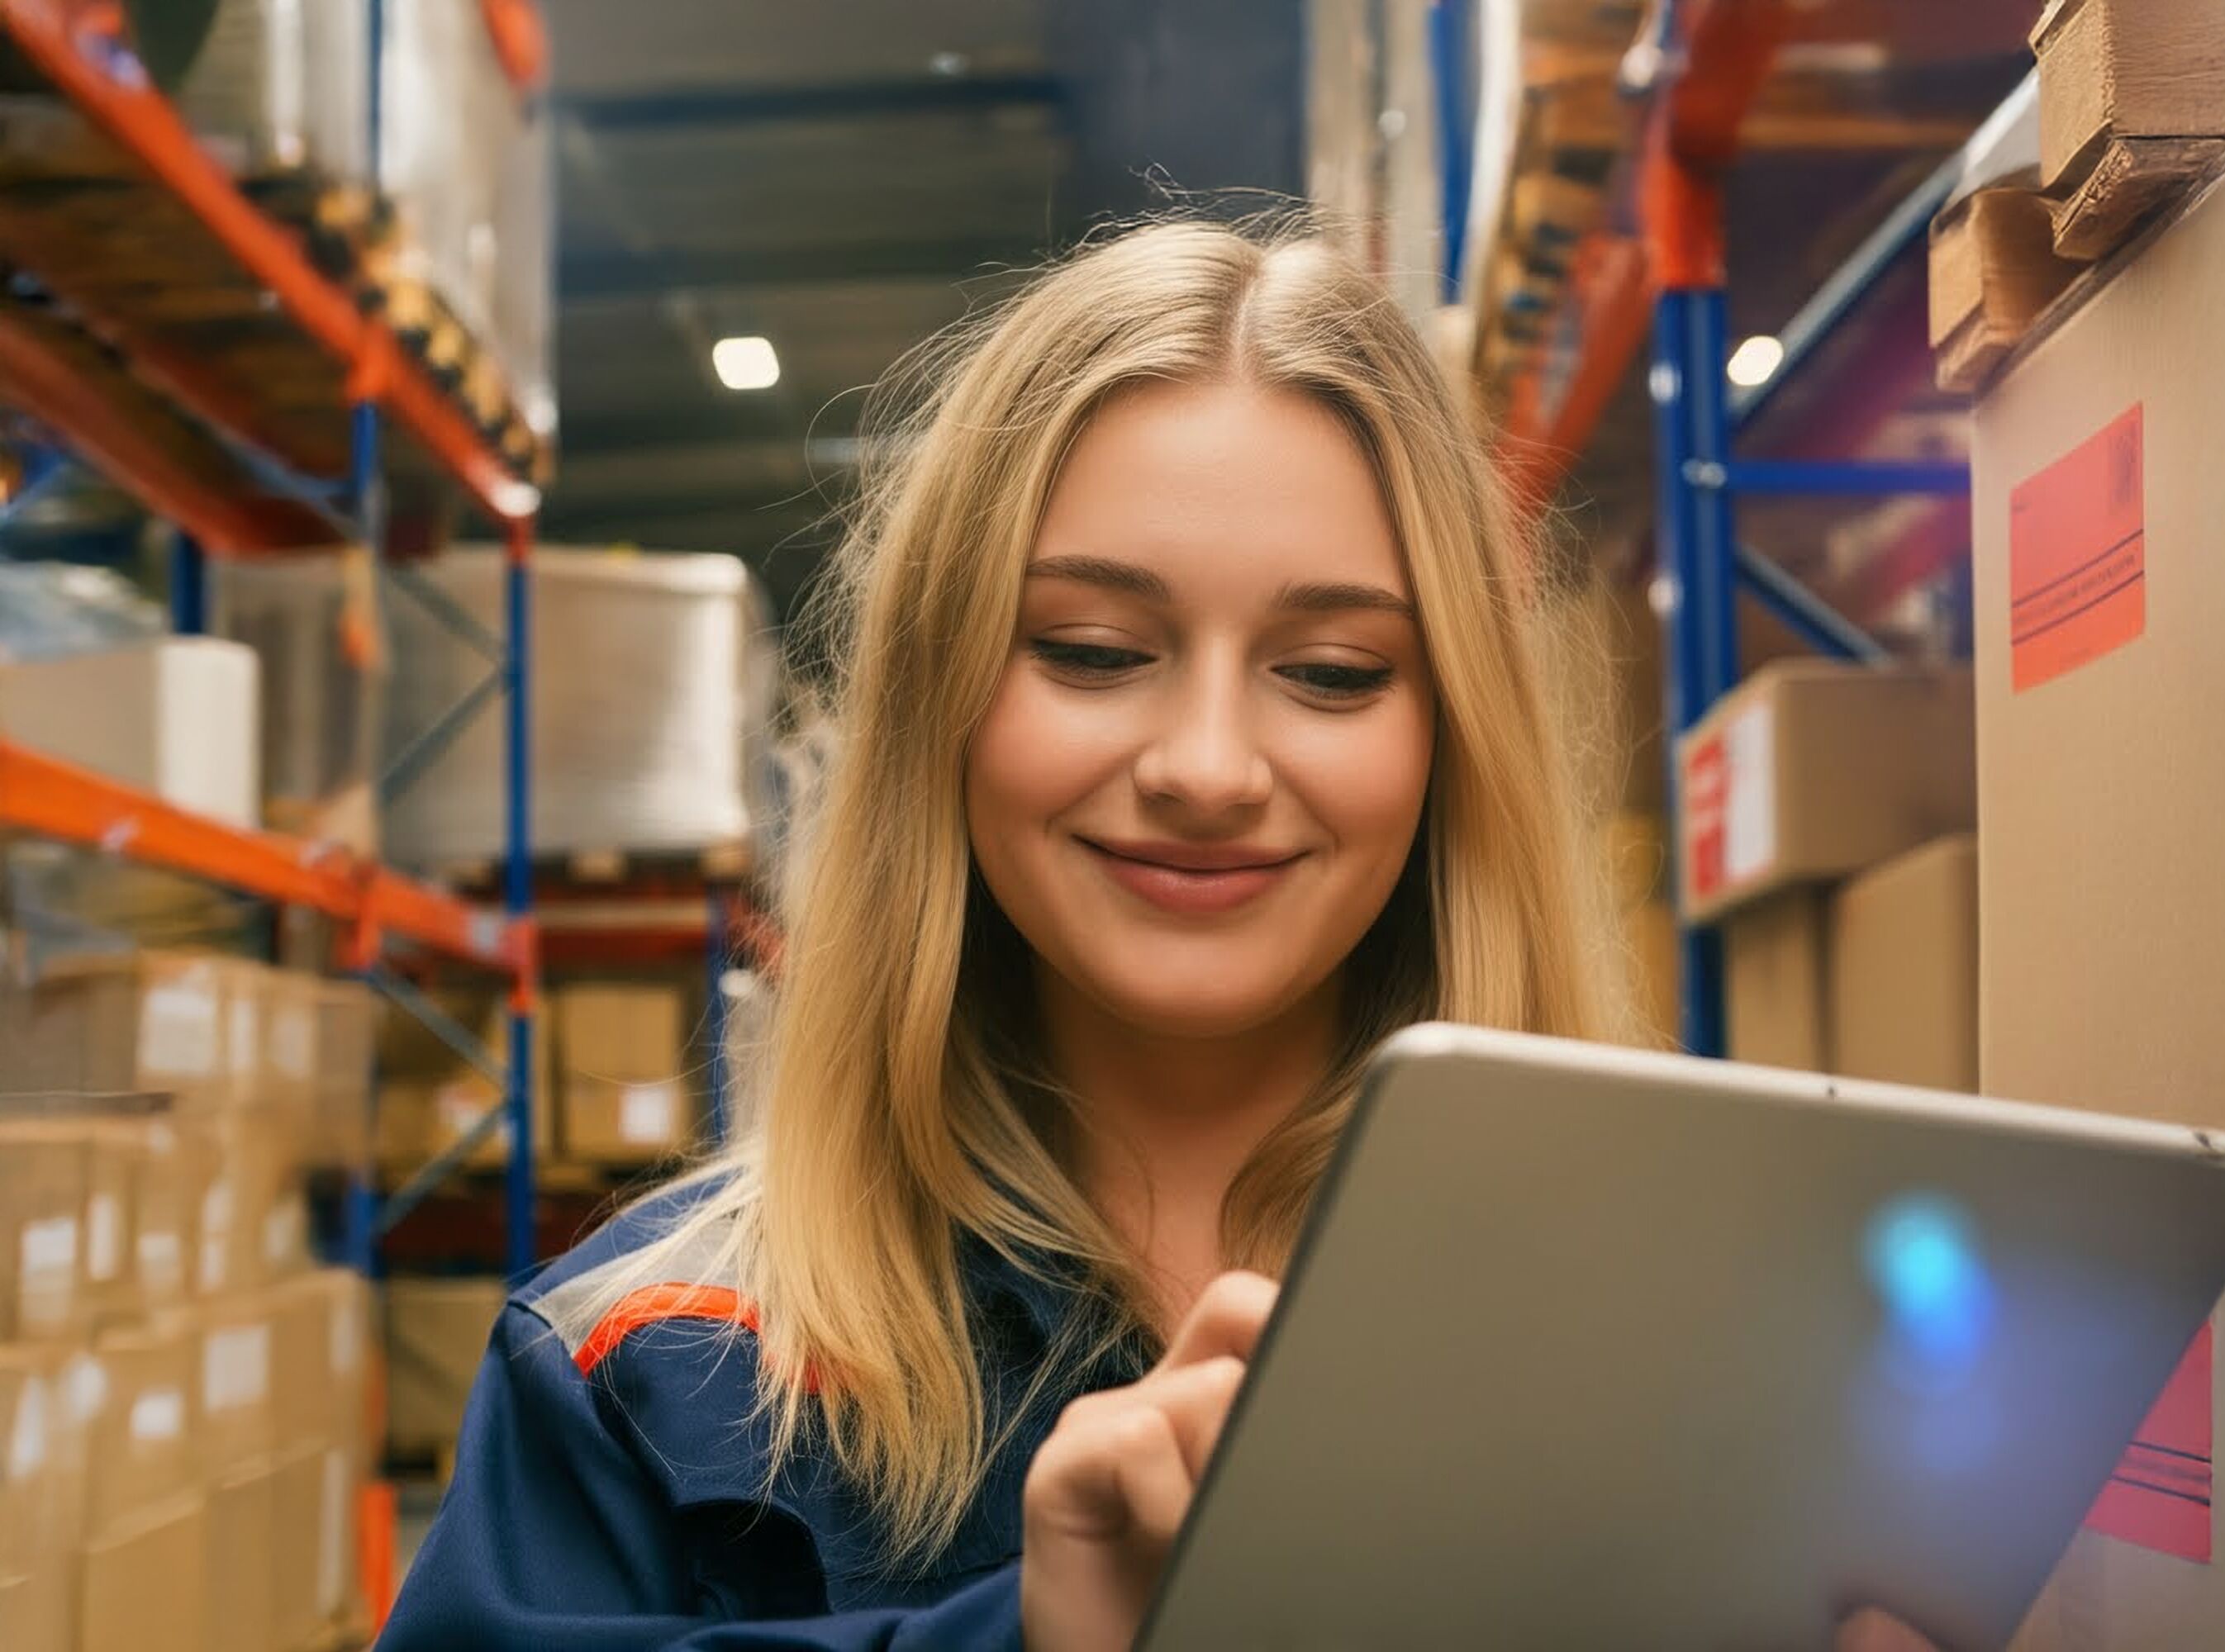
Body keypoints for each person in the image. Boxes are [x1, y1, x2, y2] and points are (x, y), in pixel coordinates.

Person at [379, 221, 1933, 1652]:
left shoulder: (1691, 1326)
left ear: (1452, 743)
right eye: (1094, 650)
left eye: (1330, 671)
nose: (1206, 767)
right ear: (943, 708)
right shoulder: (651, 1369)